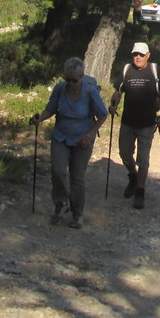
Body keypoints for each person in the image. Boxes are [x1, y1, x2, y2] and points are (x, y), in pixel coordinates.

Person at [33, 57, 108, 229]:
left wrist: (89, 136)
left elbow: (102, 115)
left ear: (81, 77)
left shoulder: (89, 91)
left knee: (77, 176)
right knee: (57, 171)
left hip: (83, 140)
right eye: (68, 79)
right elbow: (51, 109)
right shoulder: (60, 89)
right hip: (61, 136)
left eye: (74, 80)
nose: (71, 83)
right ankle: (61, 204)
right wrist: (40, 119)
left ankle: (77, 212)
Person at [108, 42, 160, 209]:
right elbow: (118, 91)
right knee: (124, 154)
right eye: (135, 54)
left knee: (143, 160)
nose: (138, 57)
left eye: (141, 55)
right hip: (127, 122)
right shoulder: (126, 70)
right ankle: (132, 176)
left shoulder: (155, 71)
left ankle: (140, 190)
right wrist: (114, 104)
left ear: (148, 56)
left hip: (146, 124)